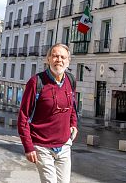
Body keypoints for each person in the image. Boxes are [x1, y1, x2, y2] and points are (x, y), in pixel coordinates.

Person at [17, 44, 78, 183]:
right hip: (42, 146)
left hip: (64, 145)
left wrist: (73, 124)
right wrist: (28, 146)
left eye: (63, 57)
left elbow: (73, 107)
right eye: (55, 56)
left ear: (68, 61)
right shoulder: (36, 82)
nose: (59, 60)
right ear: (48, 59)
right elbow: (23, 117)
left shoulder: (70, 80)